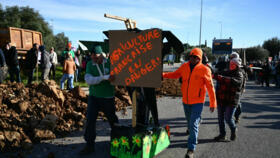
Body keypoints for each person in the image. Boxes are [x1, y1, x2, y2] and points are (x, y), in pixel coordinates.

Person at [162, 48, 217, 158]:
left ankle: (191, 149)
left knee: (192, 124)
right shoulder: (184, 66)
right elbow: (175, 74)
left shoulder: (205, 69)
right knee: (189, 122)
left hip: (198, 101)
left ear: (200, 58)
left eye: (196, 57)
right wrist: (163, 75)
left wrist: (213, 103)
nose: (193, 59)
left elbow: (210, 88)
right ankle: (197, 122)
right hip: (186, 101)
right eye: (192, 56)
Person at [80, 45, 119, 155]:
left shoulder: (110, 63)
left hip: (108, 97)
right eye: (92, 57)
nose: (94, 59)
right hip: (94, 97)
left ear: (102, 55)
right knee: (90, 120)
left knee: (113, 121)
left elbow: (116, 77)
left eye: (96, 57)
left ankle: (117, 143)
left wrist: (111, 78)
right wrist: (103, 78)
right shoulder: (89, 64)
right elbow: (89, 80)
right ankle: (89, 145)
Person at [213, 57, 244, 142]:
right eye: (230, 64)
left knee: (228, 118)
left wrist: (220, 77)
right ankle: (222, 135)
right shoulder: (227, 72)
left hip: (232, 100)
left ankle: (233, 128)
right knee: (220, 119)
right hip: (222, 98)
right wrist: (213, 73)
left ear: (237, 65)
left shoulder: (240, 74)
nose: (231, 65)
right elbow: (218, 74)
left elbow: (234, 81)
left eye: (233, 64)